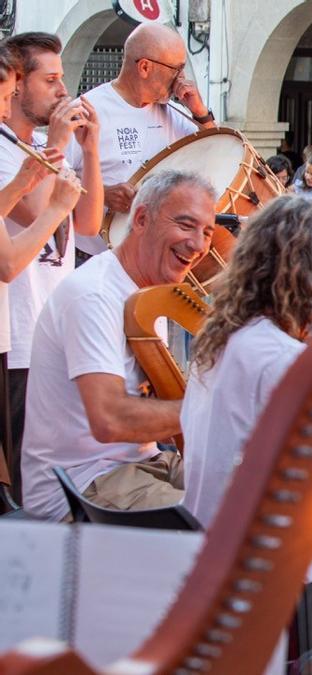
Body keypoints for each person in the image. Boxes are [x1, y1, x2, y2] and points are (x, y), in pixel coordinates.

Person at [21, 170, 215, 520]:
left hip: (144, 464)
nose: (199, 245)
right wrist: (212, 407)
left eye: (207, 232)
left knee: (266, 498)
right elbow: (109, 420)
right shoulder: (94, 294)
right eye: (187, 226)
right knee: (220, 533)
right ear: (141, 219)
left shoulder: (149, 292)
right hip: (82, 487)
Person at [182, 196, 312, 527]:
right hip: (261, 569)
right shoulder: (283, 359)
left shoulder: (224, 338)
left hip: (205, 547)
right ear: (303, 274)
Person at [0, 33, 103, 497]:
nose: (64, 91)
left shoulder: (43, 144)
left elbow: (88, 221)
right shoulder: (12, 148)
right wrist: (59, 144)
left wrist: (92, 148)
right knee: (22, 475)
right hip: (18, 338)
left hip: (51, 338)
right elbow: (40, 209)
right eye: (52, 79)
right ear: (17, 85)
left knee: (52, 475)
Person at [66, 23, 214, 257]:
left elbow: (215, 153)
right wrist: (102, 193)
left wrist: (200, 112)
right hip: (95, 254)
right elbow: (52, 178)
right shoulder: (86, 110)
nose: (181, 79)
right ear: (145, 67)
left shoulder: (174, 113)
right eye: (176, 69)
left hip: (155, 256)